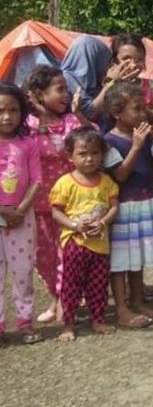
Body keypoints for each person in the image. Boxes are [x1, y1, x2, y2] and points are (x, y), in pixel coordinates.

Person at [24, 65, 89, 324]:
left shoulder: (70, 121)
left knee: (68, 255)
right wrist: (40, 120)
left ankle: (63, 302)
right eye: (59, 89)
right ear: (39, 95)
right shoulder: (27, 125)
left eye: (66, 88)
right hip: (38, 203)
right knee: (44, 256)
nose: (65, 94)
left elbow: (81, 144)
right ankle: (57, 296)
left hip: (71, 204)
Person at [103, 82, 153, 327]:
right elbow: (120, 174)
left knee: (137, 256)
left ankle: (138, 299)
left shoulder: (145, 134)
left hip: (146, 202)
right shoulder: (108, 140)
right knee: (121, 260)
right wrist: (137, 146)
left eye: (144, 109)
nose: (142, 114)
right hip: (124, 206)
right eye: (136, 109)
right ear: (117, 113)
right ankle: (121, 307)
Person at [50, 127, 119, 342]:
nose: (89, 158)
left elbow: (114, 207)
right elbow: (55, 211)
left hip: (100, 244)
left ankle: (98, 319)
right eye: (82, 153)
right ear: (70, 156)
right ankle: (68, 324)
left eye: (95, 153)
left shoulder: (107, 183)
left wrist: (103, 222)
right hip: (74, 243)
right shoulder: (65, 183)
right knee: (71, 285)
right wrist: (74, 226)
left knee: (98, 285)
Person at [0, 83, 43, 345]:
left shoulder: (28, 143)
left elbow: (37, 180)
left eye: (13, 110)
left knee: (23, 271)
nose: (7, 116)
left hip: (22, 219)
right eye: (1, 110)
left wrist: (20, 211)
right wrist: (3, 211)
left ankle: (25, 322)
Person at [61, 35, 134, 122]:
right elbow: (89, 113)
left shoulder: (96, 81)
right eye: (104, 60)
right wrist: (110, 84)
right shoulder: (66, 80)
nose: (106, 66)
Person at [110, 33, 153, 110]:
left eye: (139, 59)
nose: (133, 64)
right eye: (126, 59)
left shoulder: (152, 87)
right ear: (114, 61)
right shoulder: (109, 87)